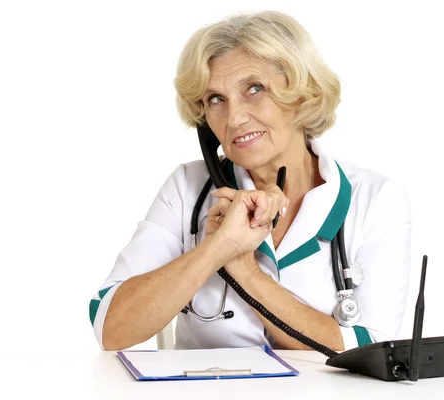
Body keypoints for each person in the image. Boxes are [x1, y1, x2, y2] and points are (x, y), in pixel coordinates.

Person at [89, 10, 411, 352]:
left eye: (254, 89)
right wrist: (216, 248)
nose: (235, 118)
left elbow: (374, 352)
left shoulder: (376, 199)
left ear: (301, 92)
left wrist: (246, 272)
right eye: (216, 100)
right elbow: (112, 328)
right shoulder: (187, 188)